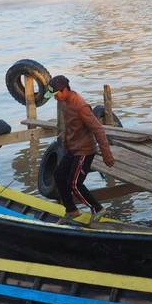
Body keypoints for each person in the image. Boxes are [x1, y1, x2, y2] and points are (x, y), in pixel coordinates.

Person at [48, 75, 116, 224]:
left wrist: (106, 154)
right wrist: (65, 142)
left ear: (64, 89)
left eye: (56, 94)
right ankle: (72, 210)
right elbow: (69, 126)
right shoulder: (64, 101)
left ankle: (97, 209)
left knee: (75, 183)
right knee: (59, 175)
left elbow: (98, 130)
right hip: (72, 149)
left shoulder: (80, 106)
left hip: (85, 151)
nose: (54, 98)